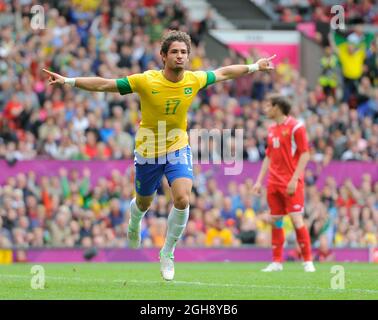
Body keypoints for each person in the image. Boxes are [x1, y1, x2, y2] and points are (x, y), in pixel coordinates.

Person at [43, 30, 275, 281]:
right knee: (144, 203)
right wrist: (68, 81)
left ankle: (167, 252)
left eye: (184, 52)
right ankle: (135, 221)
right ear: (163, 56)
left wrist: (254, 66)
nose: (179, 56)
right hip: (147, 150)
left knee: (183, 198)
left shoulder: (194, 79)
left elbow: (224, 73)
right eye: (174, 52)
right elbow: (105, 84)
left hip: (177, 147)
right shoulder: (146, 80)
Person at [252, 94, 316, 272]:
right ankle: (277, 261)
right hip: (273, 182)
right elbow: (268, 156)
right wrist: (259, 181)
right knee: (276, 220)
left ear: (277, 108)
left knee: (297, 220)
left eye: (268, 106)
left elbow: (305, 154)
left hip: (290, 183)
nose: (265, 109)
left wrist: (295, 179)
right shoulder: (272, 129)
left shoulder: (297, 127)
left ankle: (308, 261)